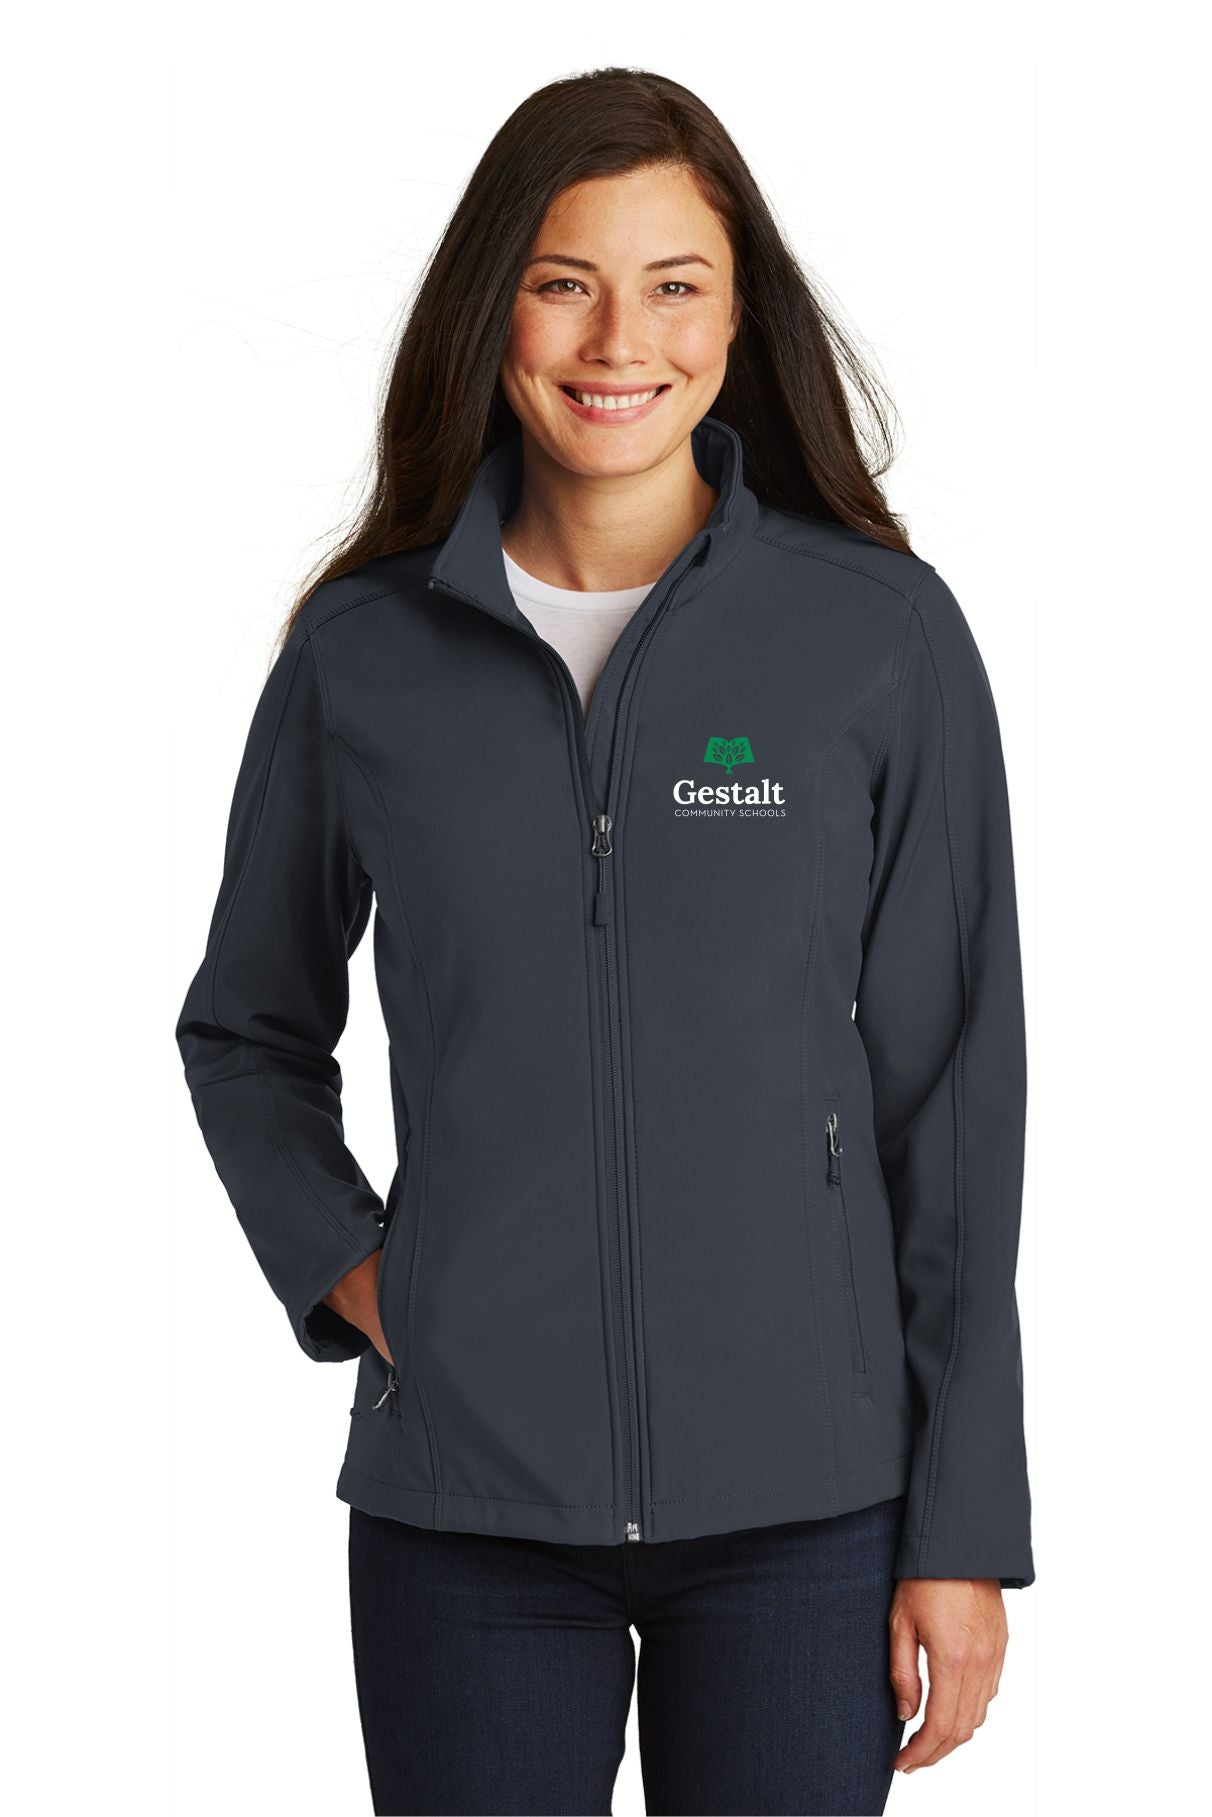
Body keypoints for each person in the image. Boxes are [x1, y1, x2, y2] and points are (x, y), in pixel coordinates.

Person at [175, 66, 1034, 1817]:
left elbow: (952, 1104)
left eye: (674, 285)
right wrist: (358, 1271)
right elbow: (248, 1028)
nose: (617, 339)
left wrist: (963, 1525)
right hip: (467, 1511)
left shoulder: (877, 637)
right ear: (492, 306)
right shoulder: (364, 654)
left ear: (737, 317)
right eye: (563, 280)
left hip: (808, 1508)